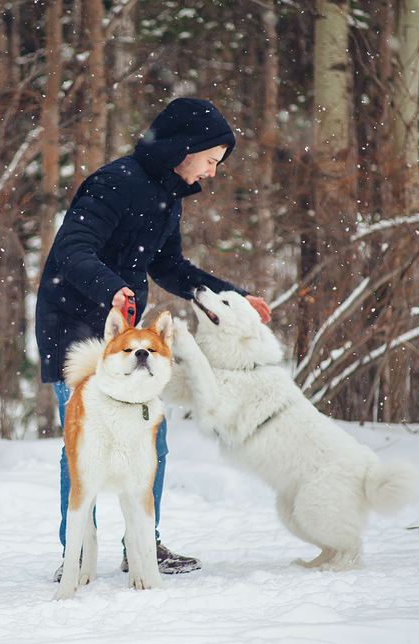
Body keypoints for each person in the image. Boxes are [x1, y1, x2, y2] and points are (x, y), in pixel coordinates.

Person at [35, 97, 272, 580]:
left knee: (151, 442)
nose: (211, 173)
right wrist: (113, 288)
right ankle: (76, 553)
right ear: (185, 149)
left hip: (126, 338)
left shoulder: (166, 198)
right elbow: (71, 250)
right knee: (83, 446)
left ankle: (143, 544)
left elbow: (169, 268)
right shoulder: (113, 185)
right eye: (210, 161)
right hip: (77, 330)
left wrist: (235, 298)